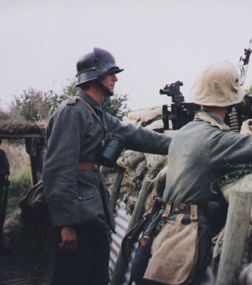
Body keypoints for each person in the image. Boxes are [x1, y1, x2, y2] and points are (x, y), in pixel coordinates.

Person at [138, 61, 252, 285]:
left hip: (167, 231)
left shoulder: (186, 132)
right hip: (187, 236)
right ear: (230, 100)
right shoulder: (213, 140)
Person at [42, 47, 171, 285]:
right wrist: (66, 224)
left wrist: (178, 144)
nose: (115, 78)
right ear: (94, 76)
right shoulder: (72, 111)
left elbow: (136, 135)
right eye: (110, 73)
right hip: (77, 217)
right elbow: (58, 170)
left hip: (91, 213)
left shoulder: (95, 112)